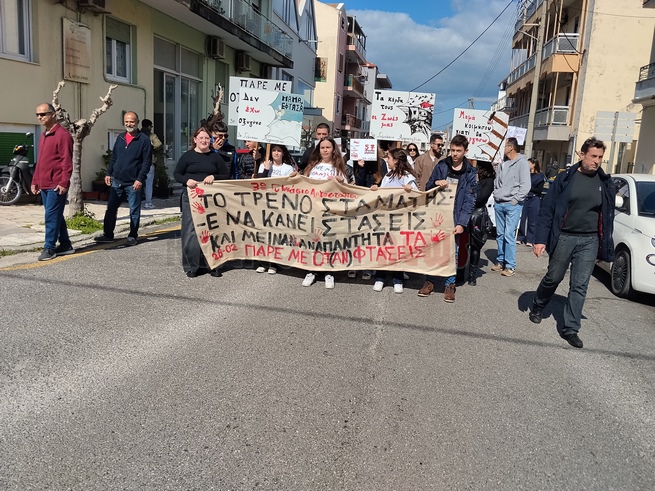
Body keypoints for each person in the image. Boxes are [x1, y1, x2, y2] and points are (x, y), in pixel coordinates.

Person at [529, 138, 615, 349]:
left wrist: (603, 244)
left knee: (579, 285)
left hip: (590, 240)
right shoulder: (565, 178)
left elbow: (607, 216)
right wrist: (540, 240)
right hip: (564, 237)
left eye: (600, 157)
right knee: (553, 277)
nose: (597, 161)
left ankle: (571, 328)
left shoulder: (604, 182)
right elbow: (548, 210)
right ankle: (538, 305)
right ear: (582, 155)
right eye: (593, 156)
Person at [418, 134, 477, 302]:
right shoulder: (442, 166)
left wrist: (462, 223)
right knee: (433, 248)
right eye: (452, 150)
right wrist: (436, 182)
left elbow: (470, 200)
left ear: (466, 151)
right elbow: (428, 187)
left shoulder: (470, 172)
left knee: (453, 252)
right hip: (438, 215)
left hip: (456, 217)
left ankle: (450, 284)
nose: (455, 154)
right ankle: (429, 281)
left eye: (458, 151)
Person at [174, 127, 231, 278]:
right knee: (191, 232)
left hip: (210, 198)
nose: (204, 141)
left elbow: (226, 175)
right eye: (201, 138)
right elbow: (177, 174)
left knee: (212, 230)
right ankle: (192, 266)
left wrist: (214, 177)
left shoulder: (215, 157)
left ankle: (213, 265)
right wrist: (186, 180)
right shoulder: (187, 156)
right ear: (195, 140)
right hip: (191, 198)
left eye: (206, 138)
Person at [95, 111, 152, 246]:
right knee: (111, 208)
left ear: (137, 122)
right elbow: (114, 157)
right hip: (117, 181)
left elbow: (146, 162)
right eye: (126, 121)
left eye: (131, 121)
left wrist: (140, 179)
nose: (129, 124)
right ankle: (108, 234)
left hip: (133, 182)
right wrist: (109, 173)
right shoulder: (120, 137)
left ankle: (132, 235)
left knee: (134, 210)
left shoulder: (144, 140)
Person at [300, 136, 348, 289]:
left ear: (333, 149)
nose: (325, 150)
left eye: (328, 147)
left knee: (329, 242)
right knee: (313, 240)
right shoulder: (312, 167)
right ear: (318, 150)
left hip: (330, 212)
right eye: (322, 148)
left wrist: (341, 182)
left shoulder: (338, 168)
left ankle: (329, 271)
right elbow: (303, 184)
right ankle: (311, 271)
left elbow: (347, 190)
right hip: (313, 210)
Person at [370, 148, 417, 293]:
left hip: (401, 220)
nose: (387, 161)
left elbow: (417, 197)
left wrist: (411, 189)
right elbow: (382, 193)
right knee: (384, 248)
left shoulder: (408, 177)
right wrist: (376, 189)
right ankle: (380, 278)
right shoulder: (388, 176)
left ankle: (398, 279)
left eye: (389, 158)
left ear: (395, 160)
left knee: (398, 249)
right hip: (386, 219)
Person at [31, 103, 74, 261]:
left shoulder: (63, 135)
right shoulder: (44, 135)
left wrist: (64, 182)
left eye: (43, 114)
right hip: (44, 183)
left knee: (50, 216)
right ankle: (65, 244)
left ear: (53, 114)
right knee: (55, 215)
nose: (40, 117)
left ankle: (49, 247)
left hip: (56, 184)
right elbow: (41, 161)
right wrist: (35, 180)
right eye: (37, 114)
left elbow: (67, 161)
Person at [490, 137, 531, 276]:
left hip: (513, 205)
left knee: (509, 234)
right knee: (500, 234)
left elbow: (525, 185)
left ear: (511, 147)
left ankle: (510, 265)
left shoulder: (522, 163)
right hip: (500, 203)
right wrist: (496, 195)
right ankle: (500, 261)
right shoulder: (504, 163)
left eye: (505, 146)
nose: (503, 148)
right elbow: (497, 182)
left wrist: (515, 200)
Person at [255, 143, 296, 275]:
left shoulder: (288, 168)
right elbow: (258, 183)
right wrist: (266, 170)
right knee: (263, 234)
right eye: (274, 150)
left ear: (283, 153)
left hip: (280, 205)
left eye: (279, 151)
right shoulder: (264, 165)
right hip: (264, 204)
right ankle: (262, 262)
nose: (276, 153)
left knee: (276, 235)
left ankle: (274, 263)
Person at [467, 160, 495, 285]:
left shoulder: (488, 181)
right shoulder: (470, 178)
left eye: (477, 167)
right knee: (462, 245)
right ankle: (460, 272)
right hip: (466, 213)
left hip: (478, 215)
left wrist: (476, 184)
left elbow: (480, 198)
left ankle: (472, 274)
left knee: (475, 246)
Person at [517, 158, 545, 247]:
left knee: (533, 220)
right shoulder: (524, 174)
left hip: (534, 198)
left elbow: (539, 190)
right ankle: (520, 237)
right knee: (522, 219)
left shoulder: (540, 176)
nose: (527, 165)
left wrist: (528, 188)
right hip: (524, 198)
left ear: (534, 164)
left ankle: (530, 239)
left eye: (528, 163)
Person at [140, 118, 164, 209]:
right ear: (149, 126)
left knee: (138, 181)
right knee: (149, 183)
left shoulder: (138, 135)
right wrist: (152, 149)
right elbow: (159, 145)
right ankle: (148, 202)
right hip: (149, 162)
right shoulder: (152, 136)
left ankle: (136, 201)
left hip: (138, 162)